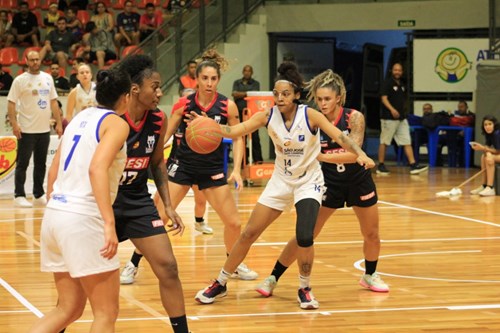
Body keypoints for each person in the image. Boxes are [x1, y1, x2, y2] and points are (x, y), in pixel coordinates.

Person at [194, 62, 375, 309]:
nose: (279, 98)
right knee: (248, 233)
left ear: (297, 96)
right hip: (280, 181)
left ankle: (305, 287)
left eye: (285, 94)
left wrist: (360, 154)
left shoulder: (310, 115)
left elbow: (340, 136)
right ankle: (221, 282)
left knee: (304, 237)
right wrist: (211, 127)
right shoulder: (266, 115)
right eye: (276, 94)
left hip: (308, 182)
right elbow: (235, 130)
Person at [119, 50, 257, 286]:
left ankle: (232, 264)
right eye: (205, 78)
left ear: (218, 80)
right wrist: (151, 159)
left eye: (214, 79)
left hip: (211, 168)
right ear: (197, 79)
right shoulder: (184, 104)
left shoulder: (227, 106)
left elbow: (237, 137)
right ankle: (132, 264)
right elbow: (167, 132)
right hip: (181, 166)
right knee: (158, 217)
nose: (209, 83)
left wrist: (236, 170)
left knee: (233, 222)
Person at [254, 69, 388, 300]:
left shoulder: (354, 117)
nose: (323, 103)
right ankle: (273, 277)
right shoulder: (310, 118)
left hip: (358, 180)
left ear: (339, 98)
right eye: (319, 99)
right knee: (306, 235)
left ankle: (370, 274)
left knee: (372, 233)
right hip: (328, 182)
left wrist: (323, 156)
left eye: (327, 99)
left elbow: (354, 152)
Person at [27, 68, 131, 333]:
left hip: (56, 213)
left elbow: (53, 169)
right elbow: (97, 168)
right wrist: (109, 224)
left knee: (68, 309)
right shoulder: (117, 123)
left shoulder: (79, 117)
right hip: (83, 218)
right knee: (106, 313)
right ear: (127, 97)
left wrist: (57, 206)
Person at [112, 54, 190, 333]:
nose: (159, 92)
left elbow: (157, 162)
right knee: (86, 277)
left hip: (136, 199)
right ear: (135, 90)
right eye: (154, 87)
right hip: (103, 201)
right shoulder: (111, 118)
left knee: (168, 266)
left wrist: (168, 205)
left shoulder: (158, 119)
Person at [7, 50, 63, 208]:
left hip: (44, 129)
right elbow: (11, 103)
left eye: (37, 59)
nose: (35, 62)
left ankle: (38, 194)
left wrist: (58, 123)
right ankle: (19, 195)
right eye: (32, 60)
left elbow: (53, 102)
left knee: (41, 163)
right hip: (25, 129)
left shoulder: (47, 78)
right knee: (22, 164)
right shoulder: (19, 80)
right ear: (26, 61)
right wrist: (14, 124)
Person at [377, 62, 428, 175]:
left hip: (401, 118)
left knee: (406, 141)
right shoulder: (387, 83)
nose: (397, 72)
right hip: (389, 118)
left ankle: (413, 165)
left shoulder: (402, 84)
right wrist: (392, 110)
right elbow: (384, 99)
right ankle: (380, 165)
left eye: (399, 70)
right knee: (385, 141)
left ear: (402, 72)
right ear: (392, 71)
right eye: (395, 70)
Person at [232, 64, 263, 164]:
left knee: (254, 137)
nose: (247, 72)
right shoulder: (237, 82)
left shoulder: (256, 83)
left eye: (249, 71)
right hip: (240, 112)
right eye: (245, 70)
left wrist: (241, 94)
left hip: (252, 113)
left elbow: (255, 94)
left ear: (252, 73)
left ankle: (258, 159)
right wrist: (247, 93)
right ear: (242, 72)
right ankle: (241, 161)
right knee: (240, 136)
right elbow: (234, 94)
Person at [470, 115, 500, 196]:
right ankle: (484, 185)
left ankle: (490, 188)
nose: (487, 127)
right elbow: (487, 147)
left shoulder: (497, 133)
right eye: (485, 125)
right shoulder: (489, 134)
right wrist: (484, 149)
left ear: (494, 124)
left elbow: (498, 151)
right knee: (484, 156)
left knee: (489, 157)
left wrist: (483, 148)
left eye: (490, 124)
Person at [447, 100, 475, 167]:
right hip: (455, 136)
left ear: (466, 107)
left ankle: (465, 165)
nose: (460, 109)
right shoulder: (454, 116)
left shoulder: (472, 116)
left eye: (462, 107)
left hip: (468, 138)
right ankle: (452, 165)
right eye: (459, 107)